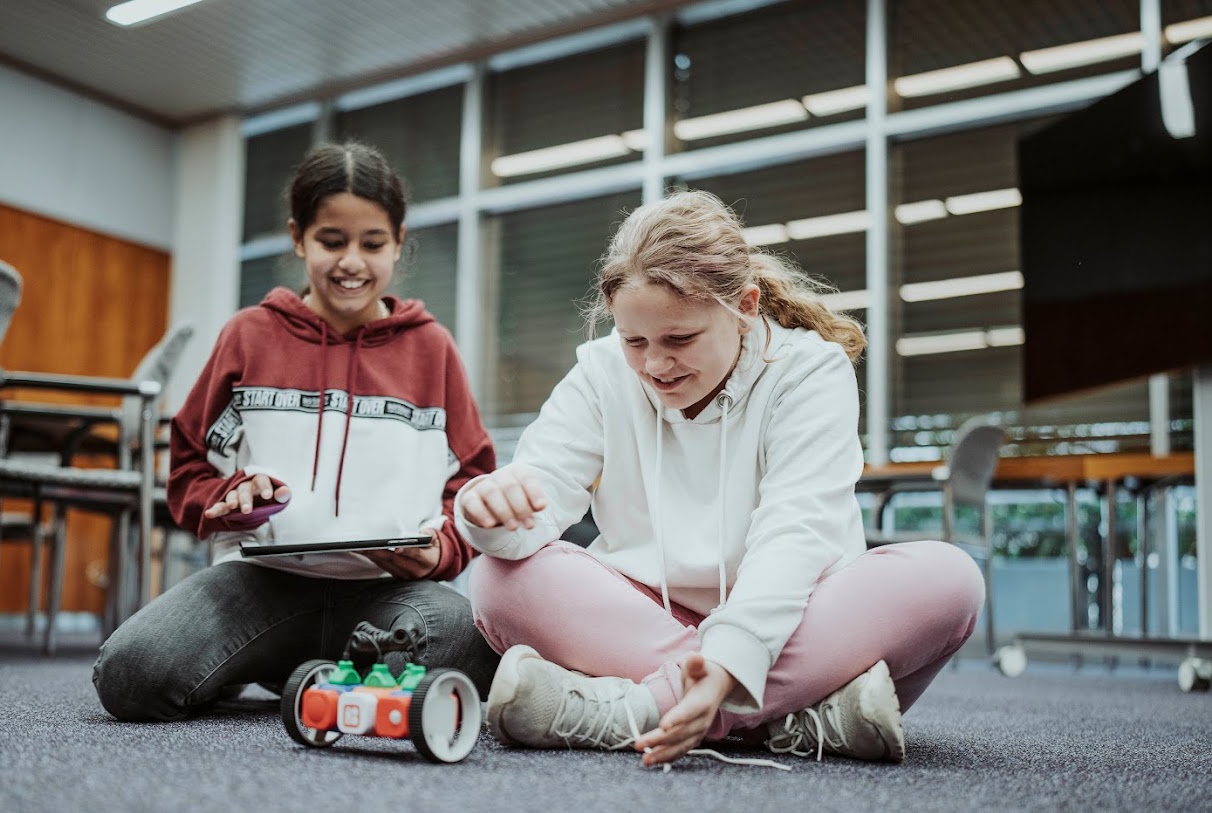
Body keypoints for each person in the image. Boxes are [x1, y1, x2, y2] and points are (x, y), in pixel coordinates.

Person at [455, 190, 985, 767]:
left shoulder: (810, 371)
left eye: (679, 339)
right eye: (635, 341)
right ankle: (801, 718)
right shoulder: (603, 372)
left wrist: (731, 661)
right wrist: (491, 508)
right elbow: (538, 490)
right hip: (645, 619)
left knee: (950, 580)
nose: (655, 365)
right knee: (497, 577)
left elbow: (794, 531)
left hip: (797, 618)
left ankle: (632, 712)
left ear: (746, 305)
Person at [94, 141, 500, 721]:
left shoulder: (431, 349)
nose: (352, 262)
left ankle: (293, 670)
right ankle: (317, 675)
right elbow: (186, 468)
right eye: (331, 241)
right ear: (298, 237)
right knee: (131, 675)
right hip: (260, 583)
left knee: (468, 638)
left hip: (384, 595)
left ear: (399, 243)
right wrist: (229, 500)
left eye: (373, 243)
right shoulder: (248, 336)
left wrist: (441, 551)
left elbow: (474, 484)